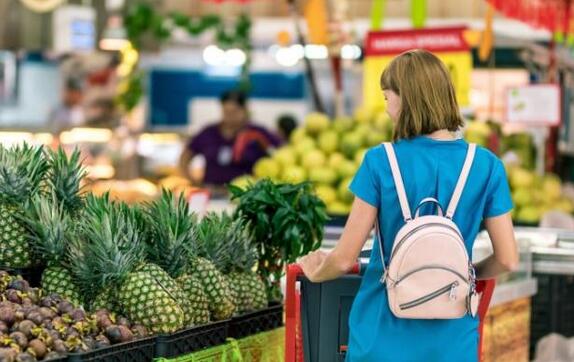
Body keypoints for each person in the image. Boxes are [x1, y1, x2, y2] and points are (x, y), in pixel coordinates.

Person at [298, 50, 518, 362]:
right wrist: (465, 274)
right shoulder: (485, 165)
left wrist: (315, 272)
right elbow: (508, 260)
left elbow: (345, 257)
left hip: (381, 333)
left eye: (387, 97)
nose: (387, 109)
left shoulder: (380, 161)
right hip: (452, 338)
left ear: (406, 99)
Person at [179, 90, 281, 186]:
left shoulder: (258, 133)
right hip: (212, 192)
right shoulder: (209, 132)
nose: (230, 116)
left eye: (234, 112)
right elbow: (185, 156)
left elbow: (279, 154)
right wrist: (191, 181)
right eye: (226, 112)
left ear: (245, 110)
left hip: (247, 195)